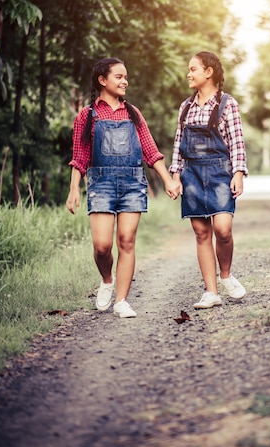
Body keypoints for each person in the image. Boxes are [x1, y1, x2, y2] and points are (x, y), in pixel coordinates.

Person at [66, 57, 180, 318]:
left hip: (131, 183)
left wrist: (168, 180)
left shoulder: (133, 113)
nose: (124, 81)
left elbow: (151, 152)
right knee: (102, 246)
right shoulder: (87, 115)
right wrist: (74, 189)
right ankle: (107, 280)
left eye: (126, 76)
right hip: (101, 183)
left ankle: (121, 300)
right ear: (102, 80)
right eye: (118, 76)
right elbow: (80, 156)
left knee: (126, 241)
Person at [170, 50, 248, 309]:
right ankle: (211, 291)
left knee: (223, 230)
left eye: (193, 69)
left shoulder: (227, 104)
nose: (188, 74)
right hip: (191, 173)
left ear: (208, 72)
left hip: (220, 172)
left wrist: (238, 173)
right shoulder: (185, 107)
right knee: (201, 233)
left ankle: (225, 275)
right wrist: (175, 175)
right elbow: (178, 144)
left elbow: (237, 142)